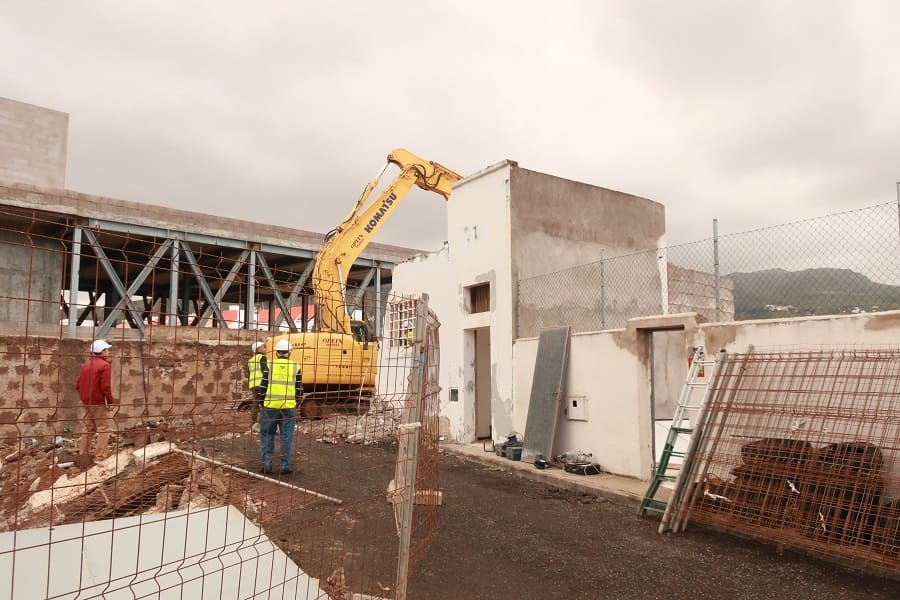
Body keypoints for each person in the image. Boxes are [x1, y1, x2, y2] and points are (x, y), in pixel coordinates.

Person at [258, 338, 302, 475]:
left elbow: (263, 386)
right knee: (286, 436)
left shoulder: (269, 365)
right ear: (289, 352)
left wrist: (261, 402)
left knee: (267, 434)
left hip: (270, 407)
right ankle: (285, 465)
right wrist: (296, 403)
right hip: (288, 407)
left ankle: (267, 464)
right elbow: (299, 389)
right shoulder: (296, 367)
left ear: (276, 352)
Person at [75, 339, 116, 459]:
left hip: (86, 401)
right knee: (103, 428)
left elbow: (78, 385)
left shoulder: (86, 366)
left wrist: (84, 397)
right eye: (107, 350)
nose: (108, 352)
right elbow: (105, 386)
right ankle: (100, 455)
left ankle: (83, 454)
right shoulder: (105, 365)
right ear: (102, 351)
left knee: (88, 428)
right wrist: (110, 401)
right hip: (98, 401)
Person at [247, 341, 268, 426]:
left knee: (255, 405)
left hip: (253, 385)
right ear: (258, 349)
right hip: (261, 384)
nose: (265, 349)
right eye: (263, 347)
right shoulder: (262, 357)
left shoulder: (250, 360)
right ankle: (265, 422)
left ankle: (253, 423)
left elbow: (249, 374)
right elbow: (265, 370)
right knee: (265, 403)